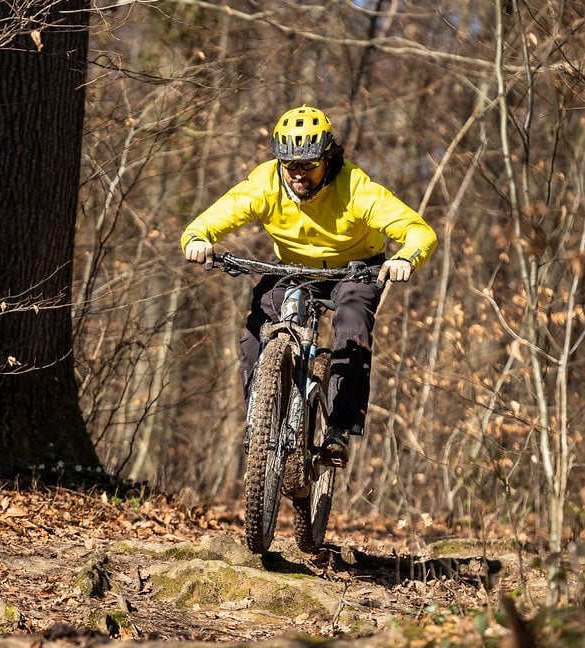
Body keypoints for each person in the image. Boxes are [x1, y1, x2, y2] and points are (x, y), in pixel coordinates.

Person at [181, 105, 437, 465]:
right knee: (256, 329)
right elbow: (216, 217)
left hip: (354, 269)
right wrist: (197, 238)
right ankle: (262, 421)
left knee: (352, 323)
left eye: (308, 164)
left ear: (328, 158)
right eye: (290, 165)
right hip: (293, 268)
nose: (298, 174)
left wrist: (404, 258)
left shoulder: (355, 188)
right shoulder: (266, 183)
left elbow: (417, 231)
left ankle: (339, 429)